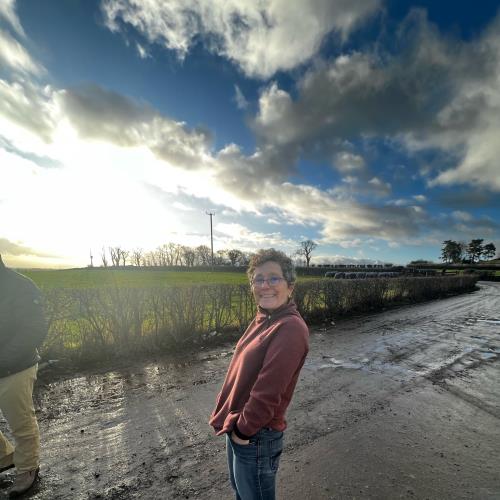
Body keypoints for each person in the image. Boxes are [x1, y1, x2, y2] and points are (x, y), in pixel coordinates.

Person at [209, 248, 309, 500]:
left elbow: (268, 392)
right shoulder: (264, 318)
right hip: (240, 424)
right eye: (259, 279)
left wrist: (243, 431)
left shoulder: (290, 328)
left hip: (256, 434)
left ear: (290, 286)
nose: (265, 285)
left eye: (274, 278)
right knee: (241, 494)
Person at [0, 255, 48, 497]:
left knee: (21, 422)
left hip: (16, 367)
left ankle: (28, 468)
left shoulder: (20, 286)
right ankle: (4, 457)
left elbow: (35, 329)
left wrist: (3, 359)